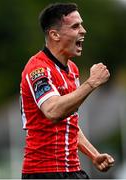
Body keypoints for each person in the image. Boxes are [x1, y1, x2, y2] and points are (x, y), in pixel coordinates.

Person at [20, 2, 114, 179]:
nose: (83, 31)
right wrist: (92, 82)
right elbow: (53, 111)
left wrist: (93, 154)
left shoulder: (72, 69)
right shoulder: (38, 68)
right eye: (75, 26)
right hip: (44, 172)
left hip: (72, 170)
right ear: (54, 34)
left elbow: (69, 123)